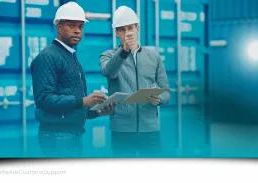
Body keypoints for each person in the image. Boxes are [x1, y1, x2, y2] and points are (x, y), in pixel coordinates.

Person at [31, 2, 112, 157]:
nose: (77, 31)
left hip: (72, 136)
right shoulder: (48, 57)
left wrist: (98, 111)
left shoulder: (70, 56)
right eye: (71, 26)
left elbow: (73, 106)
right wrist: (83, 101)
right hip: (57, 138)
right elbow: (44, 99)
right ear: (59, 27)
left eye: (81, 27)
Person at [100, 6, 170, 156]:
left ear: (138, 28)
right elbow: (108, 72)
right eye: (122, 29)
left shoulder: (154, 57)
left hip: (150, 130)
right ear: (117, 32)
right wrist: (124, 51)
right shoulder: (108, 55)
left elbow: (166, 92)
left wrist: (159, 99)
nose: (127, 33)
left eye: (130, 28)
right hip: (122, 131)